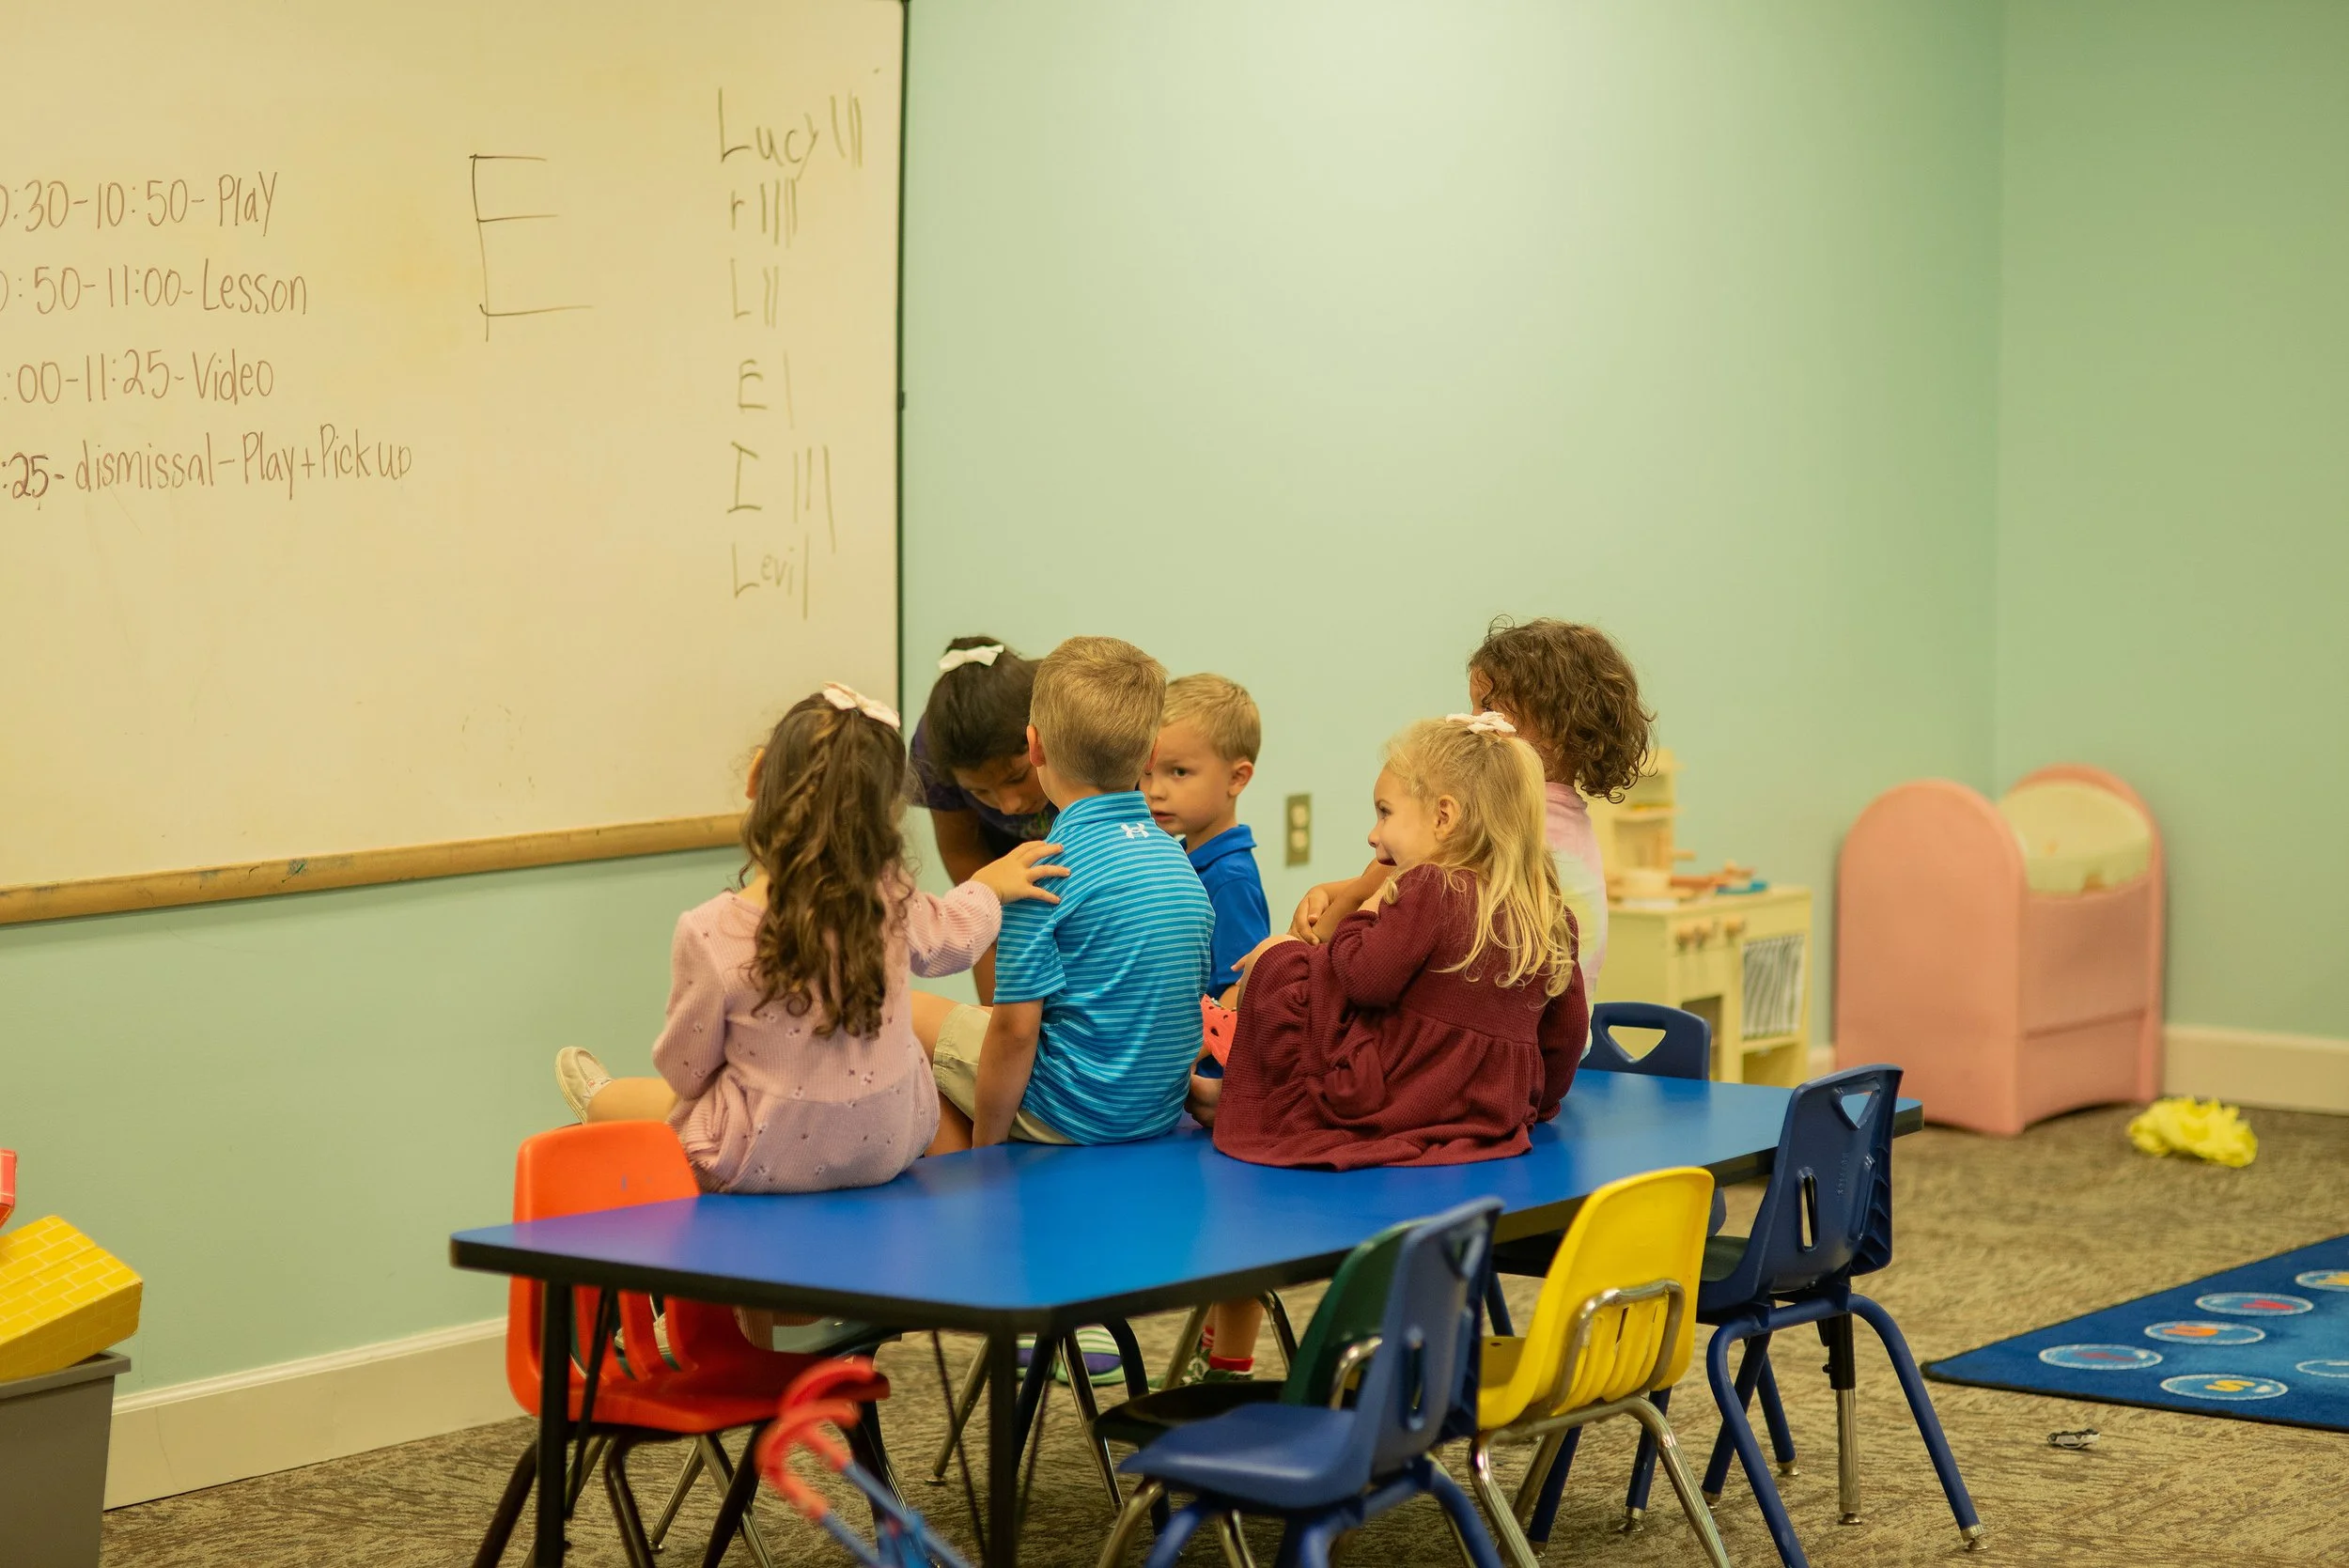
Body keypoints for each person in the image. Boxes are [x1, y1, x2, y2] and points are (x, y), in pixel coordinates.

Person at [552, 684, 1067, 1196]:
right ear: (883, 816)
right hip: (891, 1142)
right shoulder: (889, 897)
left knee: (671, 1104)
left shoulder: (709, 931)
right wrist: (988, 888)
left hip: (758, 1158)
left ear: (757, 777)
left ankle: (600, 1098)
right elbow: (953, 939)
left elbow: (686, 1070)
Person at [1210, 712, 1587, 1170]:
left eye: (1384, 812)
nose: (1374, 834)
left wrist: (1364, 913)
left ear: (1444, 817)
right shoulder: (1551, 915)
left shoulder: (1431, 886)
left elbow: (1366, 981)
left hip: (1394, 1099)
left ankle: (1252, 1092)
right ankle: (1241, 1089)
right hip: (1490, 1112)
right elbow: (1565, 1038)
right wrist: (1535, 1108)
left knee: (1277, 956)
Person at [911, 636, 1213, 1150]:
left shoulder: (1042, 871)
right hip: (1152, 1113)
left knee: (905, 1011)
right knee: (983, 1019)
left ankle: (963, 1166)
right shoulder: (1179, 862)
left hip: (1072, 1116)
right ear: (1152, 754)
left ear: (1034, 747)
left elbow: (1017, 1033)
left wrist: (988, 1148)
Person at [1290, 617, 1650, 990]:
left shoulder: (1506, 816)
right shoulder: (1564, 816)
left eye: (1487, 707)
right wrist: (1333, 890)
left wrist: (1313, 932)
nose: (1473, 724)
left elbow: (1374, 890)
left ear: (1553, 723)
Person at [1142, 672, 1272, 1380]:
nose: (1157, 790)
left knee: (1235, 1225)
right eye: (1149, 772)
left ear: (1236, 777)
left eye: (1179, 772)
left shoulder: (1227, 877)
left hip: (1220, 1094)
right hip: (1193, 1083)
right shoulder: (1180, 859)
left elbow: (1238, 998)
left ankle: (1231, 1360)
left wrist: (1217, 1087)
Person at [911, 635, 1057, 1001]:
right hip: (1001, 864)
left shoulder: (1074, 714)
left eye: (1016, 777)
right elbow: (962, 852)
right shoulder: (932, 748)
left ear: (1042, 738)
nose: (1007, 805)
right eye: (979, 792)